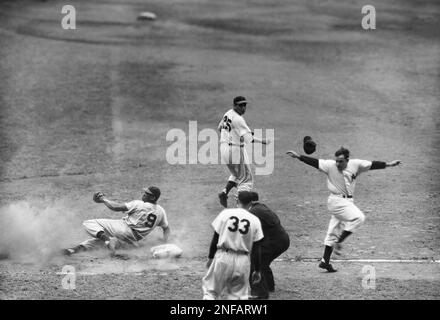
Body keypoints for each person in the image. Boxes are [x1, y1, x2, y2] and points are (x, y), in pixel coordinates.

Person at [286, 147, 401, 272]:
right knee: (359, 218)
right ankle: (339, 243)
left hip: (347, 202)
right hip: (336, 201)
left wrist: (388, 164)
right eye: (337, 161)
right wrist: (299, 157)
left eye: (341, 161)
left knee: (333, 230)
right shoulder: (330, 166)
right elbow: (315, 162)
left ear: (347, 160)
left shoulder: (356, 164)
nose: (338, 163)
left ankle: (325, 261)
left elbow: (372, 165)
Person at [63, 186, 170, 256]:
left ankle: (107, 240)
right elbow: (166, 229)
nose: (144, 194)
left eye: (147, 193)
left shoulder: (140, 204)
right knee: (97, 243)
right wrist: (165, 242)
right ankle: (73, 250)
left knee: (88, 223)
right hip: (132, 241)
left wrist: (103, 199)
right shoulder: (161, 211)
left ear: (152, 197)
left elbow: (115, 207)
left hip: (124, 229)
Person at [202, 191, 264, 300]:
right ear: (251, 203)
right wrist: (257, 270)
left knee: (211, 292)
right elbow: (257, 248)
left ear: (237, 200)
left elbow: (215, 238)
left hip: (224, 257)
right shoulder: (255, 220)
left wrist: (211, 257)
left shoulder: (225, 213)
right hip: (243, 261)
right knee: (237, 296)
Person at [217, 96, 269, 207]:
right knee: (246, 180)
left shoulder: (228, 114)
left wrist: (232, 134)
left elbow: (219, 127)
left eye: (244, 105)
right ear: (234, 105)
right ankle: (239, 206)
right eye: (240, 105)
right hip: (235, 150)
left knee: (237, 174)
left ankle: (225, 192)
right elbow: (249, 139)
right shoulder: (238, 119)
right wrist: (264, 141)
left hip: (224, 148)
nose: (243, 108)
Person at [245, 192, 290, 299]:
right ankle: (269, 286)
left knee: (256, 264)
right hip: (283, 239)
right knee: (263, 262)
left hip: (274, 241)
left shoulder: (253, 212)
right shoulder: (262, 207)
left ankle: (258, 292)